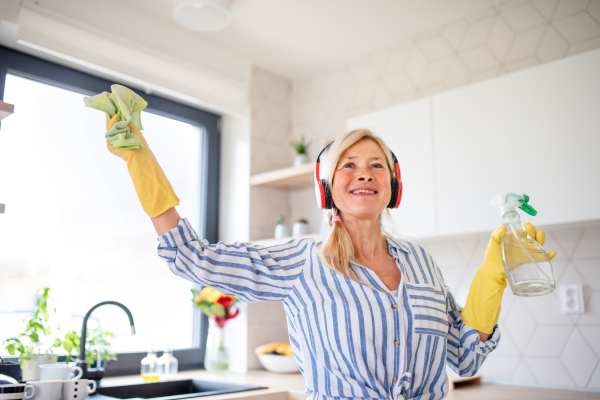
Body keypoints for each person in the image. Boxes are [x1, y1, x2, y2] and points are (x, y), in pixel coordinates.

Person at [104, 115, 556, 400]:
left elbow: (465, 358)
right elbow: (193, 258)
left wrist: (492, 276)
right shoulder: (302, 261)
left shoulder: (421, 261)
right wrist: (140, 163)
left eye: (376, 164)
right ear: (328, 187)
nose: (364, 172)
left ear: (392, 185)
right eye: (349, 164)